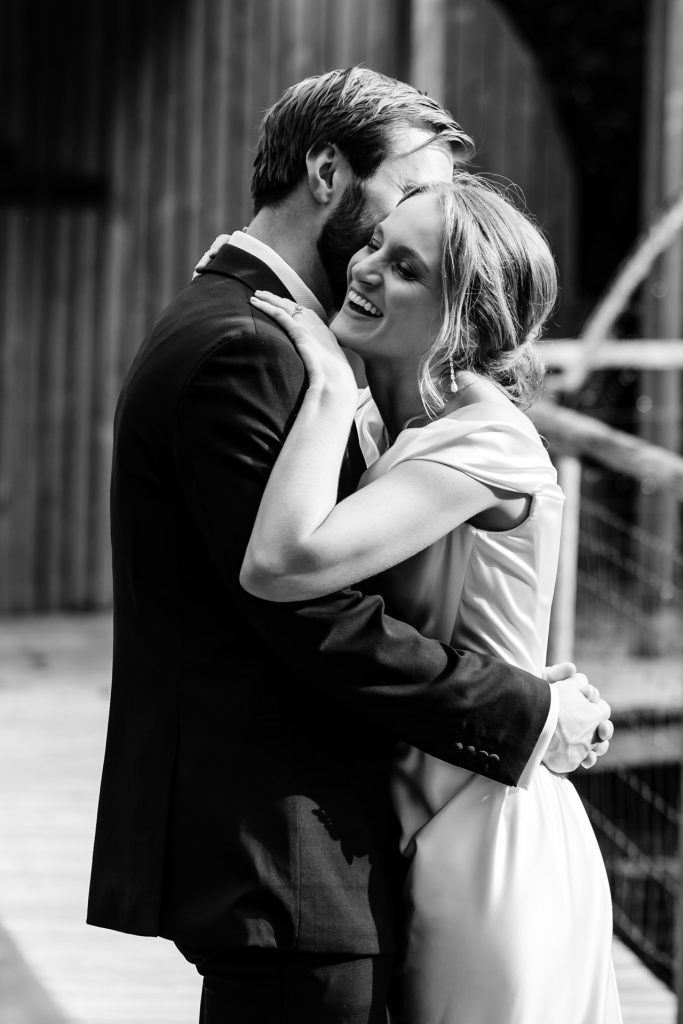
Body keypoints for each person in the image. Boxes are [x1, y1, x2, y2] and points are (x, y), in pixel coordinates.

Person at [87, 68, 613, 1024]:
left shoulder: (356, 377)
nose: (380, 257)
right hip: (290, 838)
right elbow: (307, 608)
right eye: (399, 204)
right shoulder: (252, 345)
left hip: (403, 827)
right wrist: (526, 711)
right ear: (328, 172)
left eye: (410, 255)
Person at [243, 176, 622, 1022]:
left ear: (467, 320)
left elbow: (283, 562)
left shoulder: (483, 434)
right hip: (426, 813)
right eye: (376, 242)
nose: (367, 268)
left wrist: (330, 385)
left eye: (407, 268)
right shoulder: (412, 426)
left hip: (489, 833)